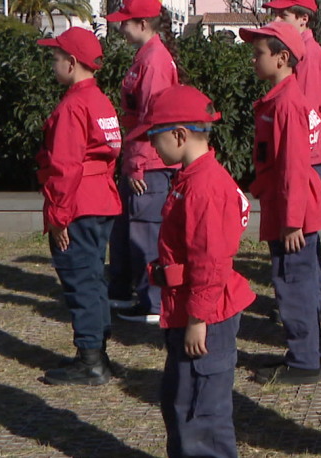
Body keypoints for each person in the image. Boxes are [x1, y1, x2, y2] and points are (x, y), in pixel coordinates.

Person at [126, 84, 256, 458]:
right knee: (181, 402)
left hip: (205, 315)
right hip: (188, 308)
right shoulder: (190, 179)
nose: (152, 147)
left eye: (154, 138)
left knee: (203, 413)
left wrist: (198, 317)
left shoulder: (205, 186)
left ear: (179, 135)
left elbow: (210, 260)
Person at [36, 28, 126, 386]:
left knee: (80, 279)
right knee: (93, 277)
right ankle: (98, 352)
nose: (52, 64)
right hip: (101, 199)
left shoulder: (73, 106)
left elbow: (64, 166)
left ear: (71, 63)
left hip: (78, 202)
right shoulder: (101, 101)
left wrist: (58, 217)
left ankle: (91, 360)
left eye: (55, 58)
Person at [240, 22, 321, 385]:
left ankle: (305, 361)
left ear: (282, 58)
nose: (254, 58)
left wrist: (292, 221)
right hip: (284, 207)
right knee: (288, 279)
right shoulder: (279, 99)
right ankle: (301, 355)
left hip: (294, 215)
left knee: (294, 283)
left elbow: (293, 165)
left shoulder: (288, 103)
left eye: (260, 52)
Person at [107, 0, 183, 325]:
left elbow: (153, 118)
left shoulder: (154, 60)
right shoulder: (146, 56)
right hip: (140, 158)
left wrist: (137, 161)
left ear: (142, 24)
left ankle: (153, 301)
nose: (120, 27)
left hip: (149, 162)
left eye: (125, 22)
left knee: (145, 232)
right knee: (128, 229)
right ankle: (132, 293)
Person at [267, 0, 321, 319]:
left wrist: (296, 161)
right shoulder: (305, 51)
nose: (276, 20)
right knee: (308, 234)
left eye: (282, 15)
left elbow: (303, 114)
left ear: (303, 19)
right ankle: (314, 299)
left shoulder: (307, 56)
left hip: (308, 152)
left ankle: (309, 301)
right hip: (310, 150)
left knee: (302, 234)